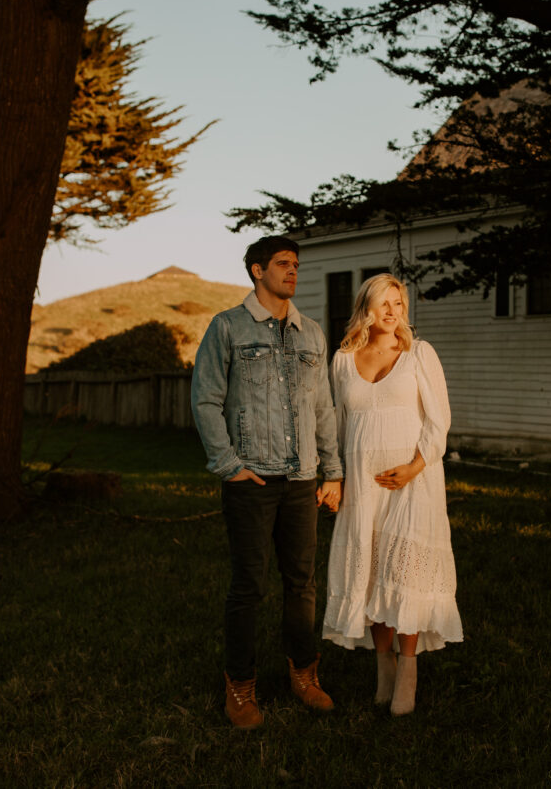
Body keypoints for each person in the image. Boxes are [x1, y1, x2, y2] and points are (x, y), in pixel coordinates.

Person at [191, 235, 343, 730]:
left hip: (302, 478)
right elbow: (205, 401)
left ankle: (304, 674)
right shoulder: (228, 328)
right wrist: (228, 464)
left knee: (301, 583)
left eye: (296, 264)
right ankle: (240, 686)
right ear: (257, 271)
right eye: (282, 263)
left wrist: (333, 470)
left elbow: (323, 408)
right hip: (251, 479)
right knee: (248, 586)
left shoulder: (311, 334)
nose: (292, 271)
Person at [322, 273, 463, 715]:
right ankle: (383, 669)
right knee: (372, 574)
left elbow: (439, 423)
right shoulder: (344, 359)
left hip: (412, 483)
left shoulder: (420, 354)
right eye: (382, 303)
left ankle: (408, 670)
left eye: (397, 304)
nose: (391, 311)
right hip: (365, 486)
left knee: (405, 574)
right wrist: (337, 477)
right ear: (365, 306)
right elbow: (340, 426)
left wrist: (414, 468)